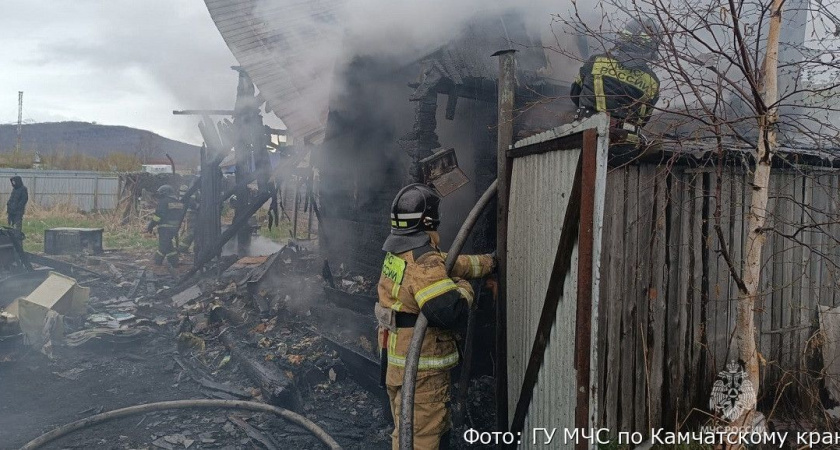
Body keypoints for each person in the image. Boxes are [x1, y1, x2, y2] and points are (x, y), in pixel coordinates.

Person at [375, 183, 495, 450]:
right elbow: (451, 312)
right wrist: (464, 287)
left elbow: (451, 262)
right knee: (421, 441)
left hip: (398, 367)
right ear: (430, 221)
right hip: (422, 376)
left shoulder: (399, 253)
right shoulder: (423, 262)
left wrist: (489, 262)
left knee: (408, 433)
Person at [570, 17, 661, 161]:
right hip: (625, 150)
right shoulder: (652, 81)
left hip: (586, 139)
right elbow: (643, 120)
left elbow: (574, 95)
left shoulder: (596, 61)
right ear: (651, 47)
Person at [146, 184, 183, 266]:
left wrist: (151, 226)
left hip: (165, 228)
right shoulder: (177, 202)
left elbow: (158, 216)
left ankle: (157, 261)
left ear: (164, 193)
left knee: (162, 246)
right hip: (175, 228)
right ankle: (174, 261)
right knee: (168, 245)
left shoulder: (163, 201)